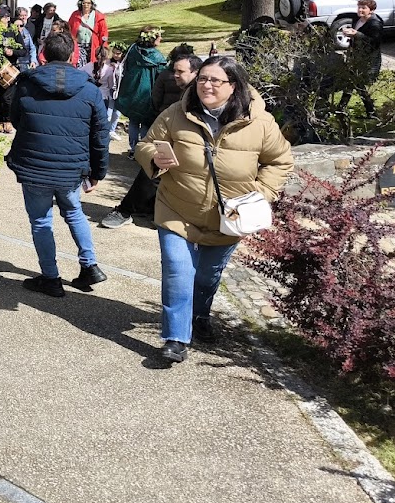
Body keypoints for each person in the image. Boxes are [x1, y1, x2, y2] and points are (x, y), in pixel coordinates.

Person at [136, 56, 293, 362]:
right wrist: (154, 158)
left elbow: (280, 161)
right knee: (178, 271)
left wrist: (260, 195)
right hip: (176, 209)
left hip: (229, 218)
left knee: (207, 276)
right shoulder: (175, 114)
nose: (206, 85)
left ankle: (200, 316)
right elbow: (147, 143)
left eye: (215, 80)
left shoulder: (260, 123)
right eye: (202, 79)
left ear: (234, 86)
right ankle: (176, 338)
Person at [7, 31, 110, 297]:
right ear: (73, 55)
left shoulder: (26, 84)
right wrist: (98, 172)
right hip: (71, 168)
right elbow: (100, 135)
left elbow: (16, 119)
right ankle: (90, 265)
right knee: (74, 212)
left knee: (42, 221)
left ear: (43, 55)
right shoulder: (89, 89)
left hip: (34, 165)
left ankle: (51, 278)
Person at [101, 54, 202, 229]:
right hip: (174, 140)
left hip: (190, 147)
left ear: (195, 72)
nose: (175, 75)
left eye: (180, 71)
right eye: (174, 70)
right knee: (153, 169)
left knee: (153, 173)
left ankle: (127, 211)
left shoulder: (198, 93)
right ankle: (145, 209)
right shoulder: (189, 91)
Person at [116, 27, 166, 157]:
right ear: (153, 38)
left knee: (133, 120)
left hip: (131, 89)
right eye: (159, 36)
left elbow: (125, 66)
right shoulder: (158, 57)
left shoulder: (132, 50)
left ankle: (133, 149)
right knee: (145, 121)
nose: (161, 38)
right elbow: (161, 76)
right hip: (147, 92)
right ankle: (143, 150)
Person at [340, 0, 383, 117]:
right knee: (354, 82)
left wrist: (356, 34)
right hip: (356, 56)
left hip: (368, 59)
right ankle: (368, 111)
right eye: (359, 7)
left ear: (371, 10)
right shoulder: (357, 19)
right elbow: (356, 35)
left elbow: (374, 42)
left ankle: (369, 111)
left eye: (364, 8)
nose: (360, 10)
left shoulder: (375, 23)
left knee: (356, 83)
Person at [67, 0, 109, 71]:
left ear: (92, 4)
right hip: (79, 45)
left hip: (93, 46)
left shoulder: (98, 16)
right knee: (79, 66)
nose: (86, 5)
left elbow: (104, 33)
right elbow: (69, 29)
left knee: (92, 66)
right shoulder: (75, 15)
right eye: (84, 3)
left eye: (88, 3)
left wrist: (104, 47)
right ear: (80, 3)